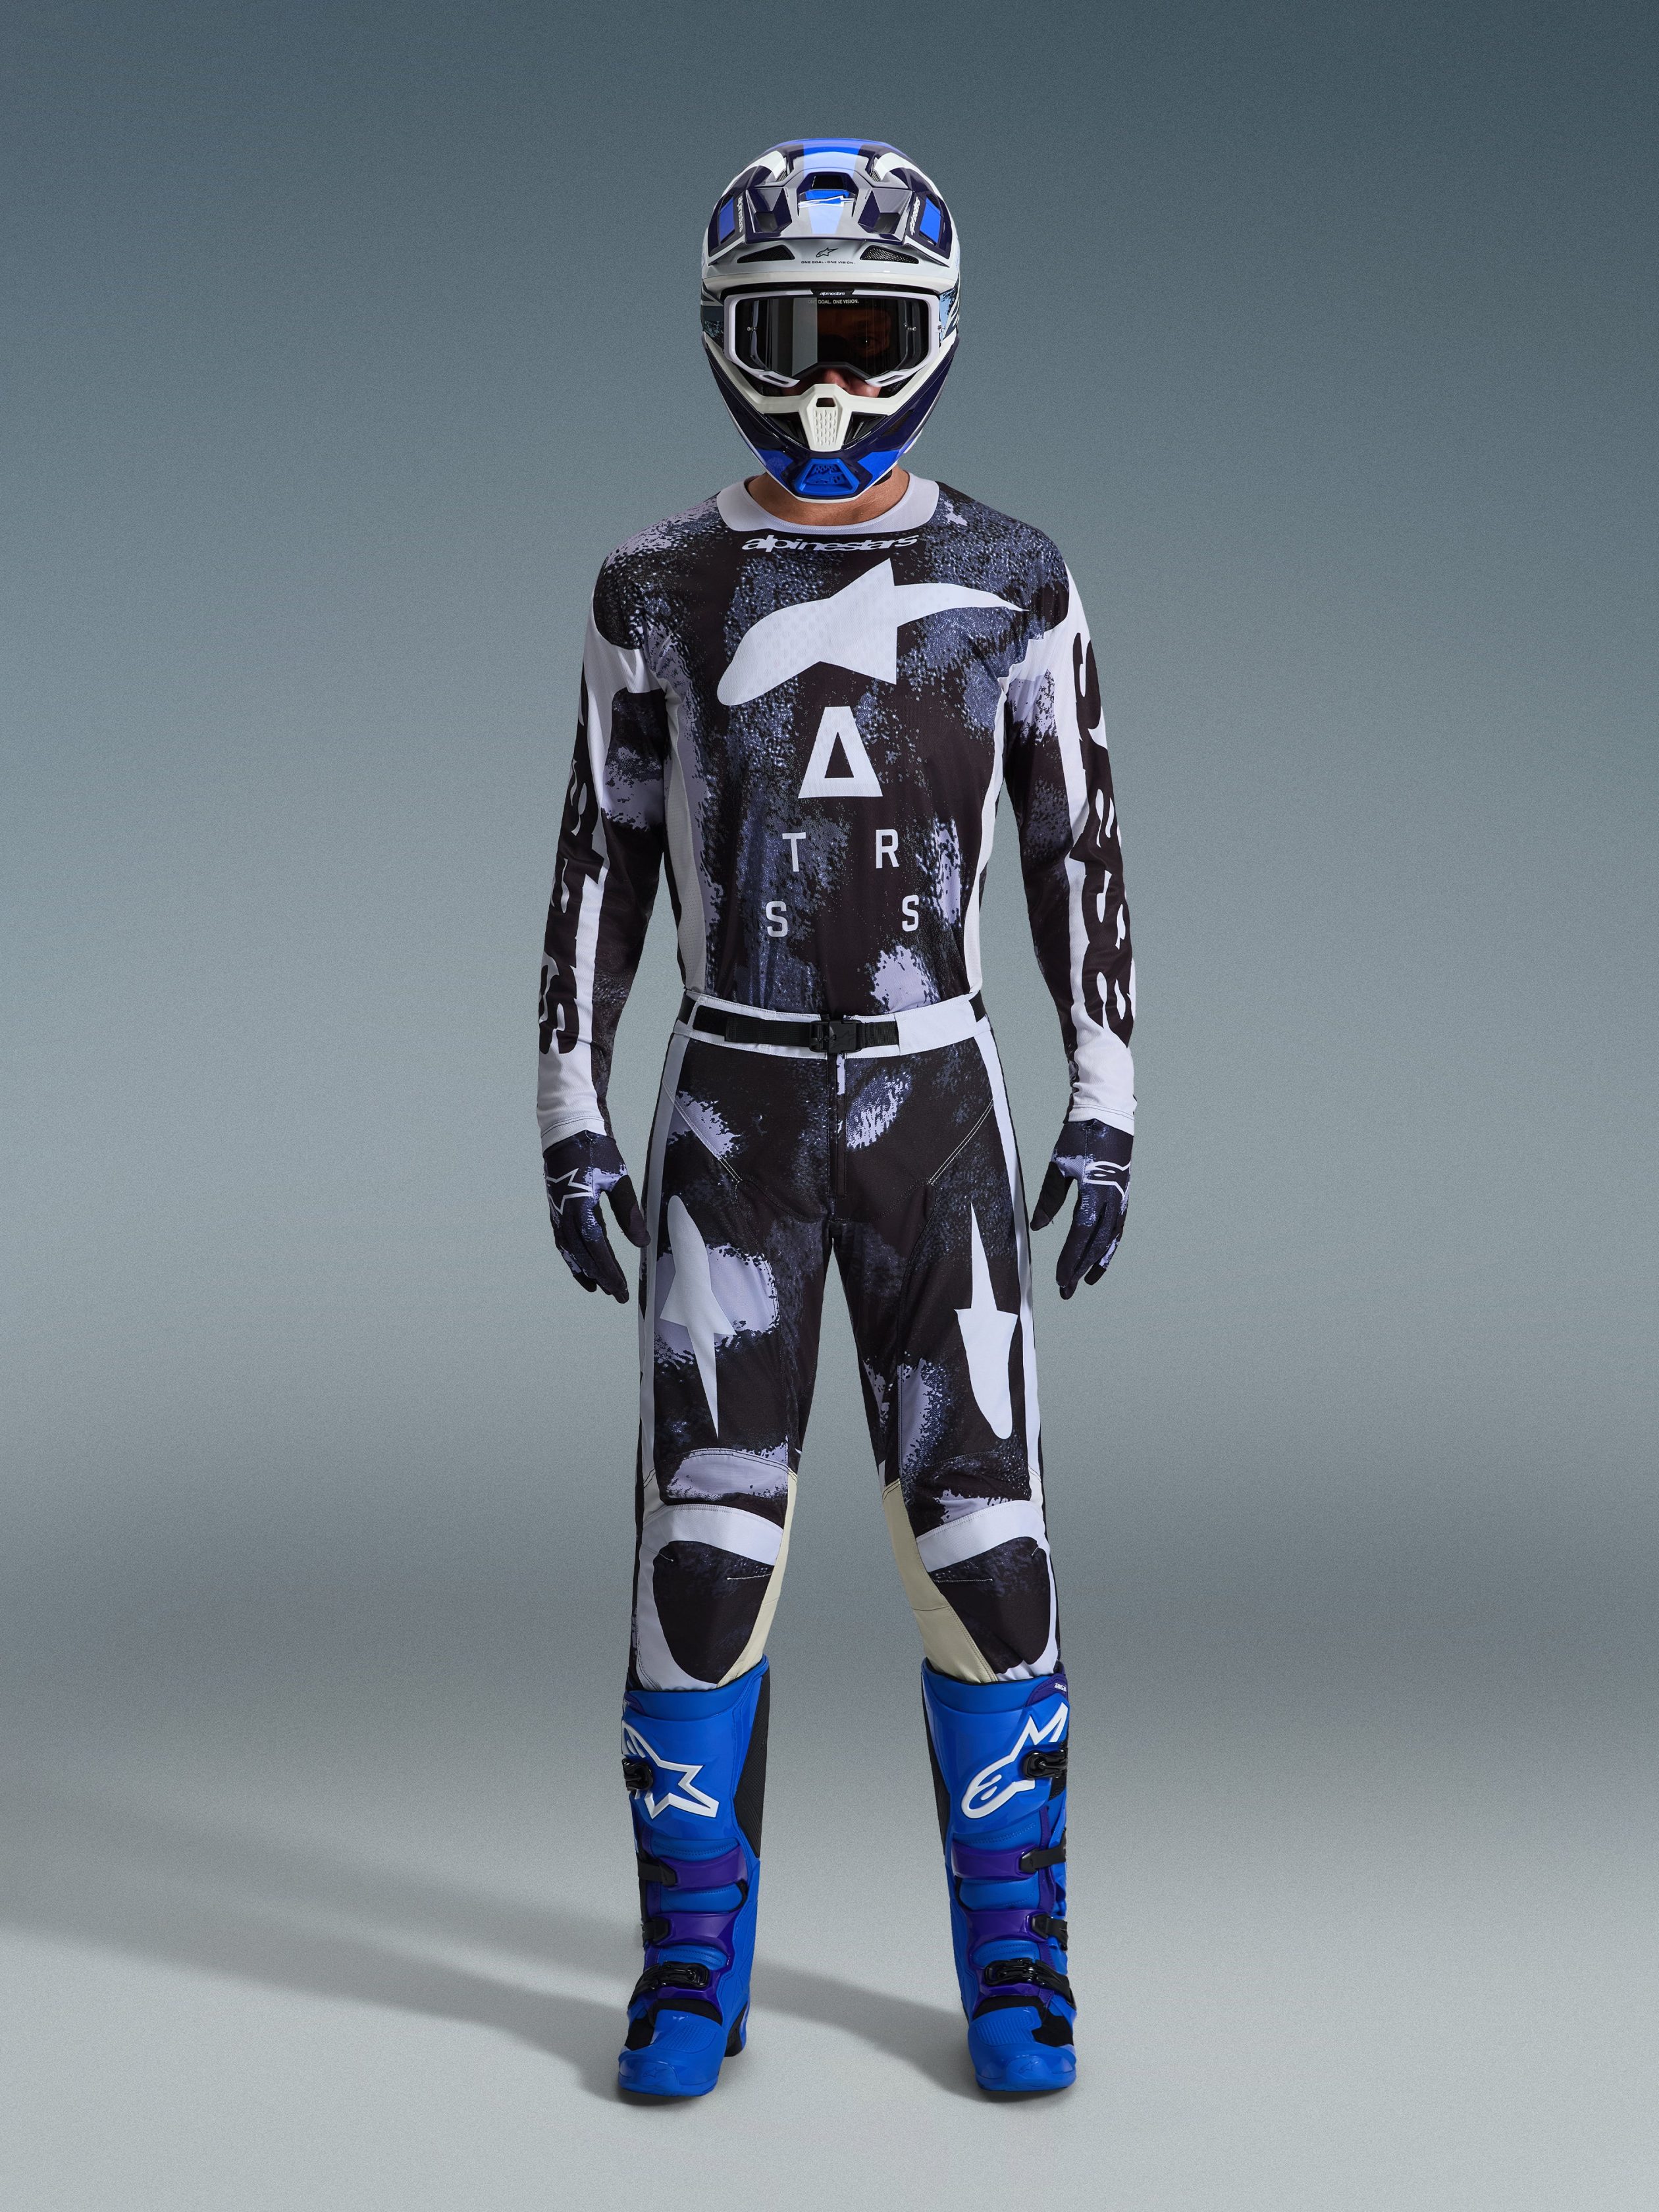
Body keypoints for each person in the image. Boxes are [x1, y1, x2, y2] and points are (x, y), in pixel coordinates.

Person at [537, 140, 1135, 2099]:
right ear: (724, 338)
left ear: (937, 334)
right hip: (733, 1114)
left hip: (933, 1105)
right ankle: (688, 1966)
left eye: (869, 333)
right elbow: (604, 850)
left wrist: (1106, 1096)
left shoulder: (1017, 579)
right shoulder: (654, 584)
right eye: (790, 336)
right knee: (704, 1553)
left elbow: (1077, 844)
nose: (831, 385)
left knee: (991, 1546)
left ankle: (1019, 1962)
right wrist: (568, 1101)